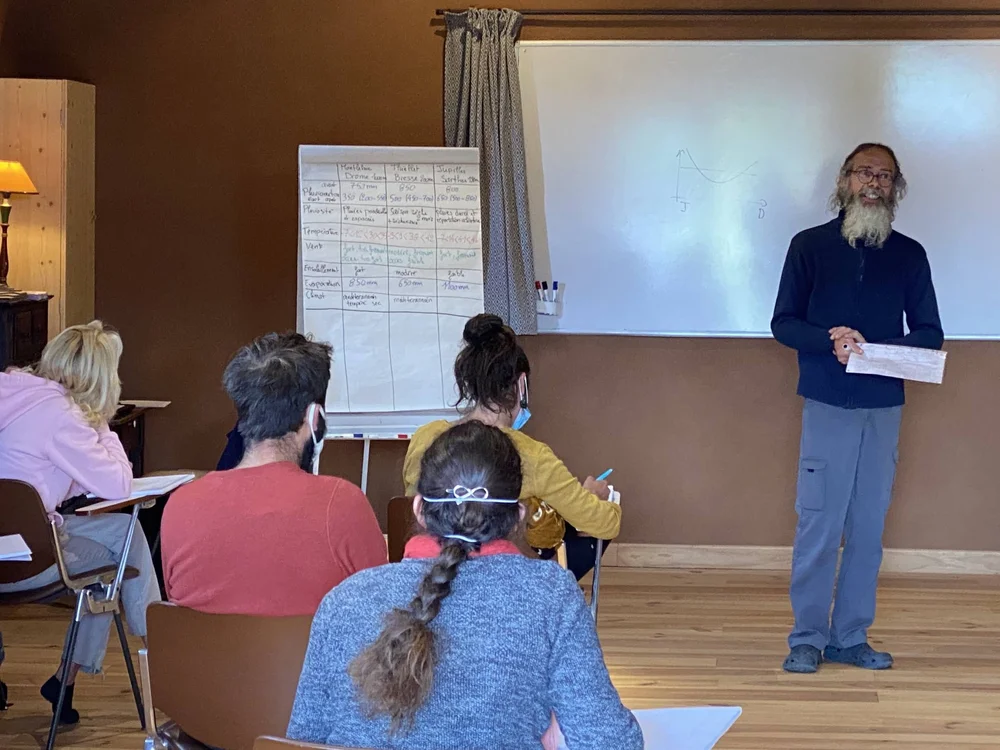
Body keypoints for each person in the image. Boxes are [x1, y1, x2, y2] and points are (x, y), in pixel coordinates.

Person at [288, 420, 643, 749]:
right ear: (518, 516)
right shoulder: (551, 596)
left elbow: (302, 739)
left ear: (418, 509)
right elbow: (611, 743)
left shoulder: (344, 600)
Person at [771, 143, 943, 674]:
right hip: (827, 403)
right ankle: (807, 638)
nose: (874, 182)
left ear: (895, 189)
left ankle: (850, 636)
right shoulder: (809, 247)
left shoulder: (909, 254)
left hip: (883, 407)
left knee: (868, 527)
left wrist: (887, 350)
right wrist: (831, 340)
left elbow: (932, 332)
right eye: (865, 172)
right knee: (819, 525)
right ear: (845, 180)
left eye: (885, 176)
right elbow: (783, 323)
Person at [0, 321, 160, 724]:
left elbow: (31, 477)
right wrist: (100, 421)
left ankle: (151, 636)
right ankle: (155, 643)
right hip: (27, 558)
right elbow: (119, 482)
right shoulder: (63, 415)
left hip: (12, 541)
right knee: (113, 562)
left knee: (123, 532)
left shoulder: (13, 389)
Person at [160, 332, 387, 616]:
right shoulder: (344, 504)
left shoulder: (181, 505)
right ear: (315, 418)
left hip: (200, 660)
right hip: (304, 661)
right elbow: (379, 612)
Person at [403, 314, 620, 580]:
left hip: (426, 572)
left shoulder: (425, 438)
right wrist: (593, 498)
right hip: (503, 580)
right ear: (522, 384)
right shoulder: (532, 455)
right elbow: (605, 523)